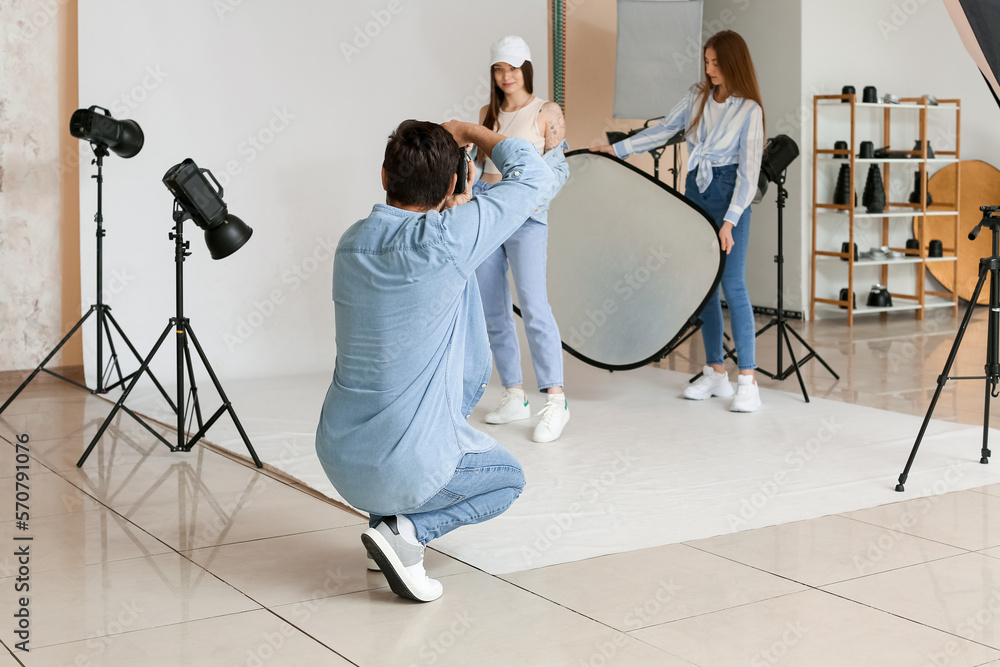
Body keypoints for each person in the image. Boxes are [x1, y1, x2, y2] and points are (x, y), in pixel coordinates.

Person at [315, 118, 555, 603]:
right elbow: (535, 177)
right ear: (454, 182)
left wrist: (457, 199)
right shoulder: (448, 239)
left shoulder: (350, 243)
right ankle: (406, 535)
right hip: (402, 467)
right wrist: (474, 131)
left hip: (339, 457)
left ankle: (383, 527)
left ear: (385, 175)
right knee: (509, 480)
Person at [592, 30, 764, 412]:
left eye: (716, 62)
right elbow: (663, 131)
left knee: (733, 287)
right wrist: (616, 150)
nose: (710, 68)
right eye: (706, 61)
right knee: (701, 287)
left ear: (734, 62)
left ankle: (748, 380)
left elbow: (749, 176)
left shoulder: (749, 110)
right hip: (696, 190)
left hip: (729, 195)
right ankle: (716, 371)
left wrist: (730, 222)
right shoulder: (697, 97)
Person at [475, 35, 572, 442]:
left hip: (527, 218)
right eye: (499, 68)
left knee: (534, 306)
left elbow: (558, 170)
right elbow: (477, 167)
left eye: (513, 68)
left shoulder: (546, 112)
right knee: (493, 310)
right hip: (486, 213)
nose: (506, 76)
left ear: (526, 69)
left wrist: (530, 204)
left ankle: (556, 399)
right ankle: (514, 394)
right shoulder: (487, 113)